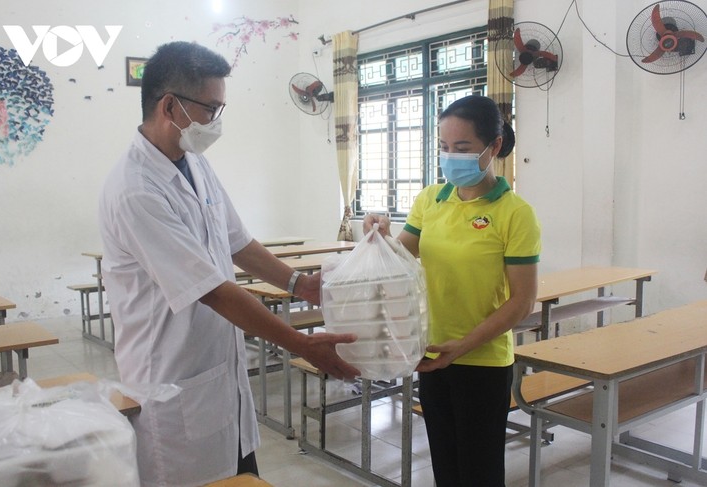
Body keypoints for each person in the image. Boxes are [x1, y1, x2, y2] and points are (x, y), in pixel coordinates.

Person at [98, 41, 359, 487]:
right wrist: (301, 343)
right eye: (212, 109)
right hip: (173, 376)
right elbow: (213, 290)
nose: (217, 122)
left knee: (240, 473)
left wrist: (300, 284)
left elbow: (237, 242)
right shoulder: (135, 189)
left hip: (219, 375)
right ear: (170, 106)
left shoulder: (193, 162)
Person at [364, 95, 540, 486]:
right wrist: (380, 234)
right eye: (444, 148)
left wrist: (463, 345)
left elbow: (523, 300)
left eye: (462, 148)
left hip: (482, 360)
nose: (450, 158)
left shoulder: (515, 213)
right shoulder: (431, 199)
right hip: (431, 353)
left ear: (493, 146)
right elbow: (400, 256)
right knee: (444, 462)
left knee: (479, 470)